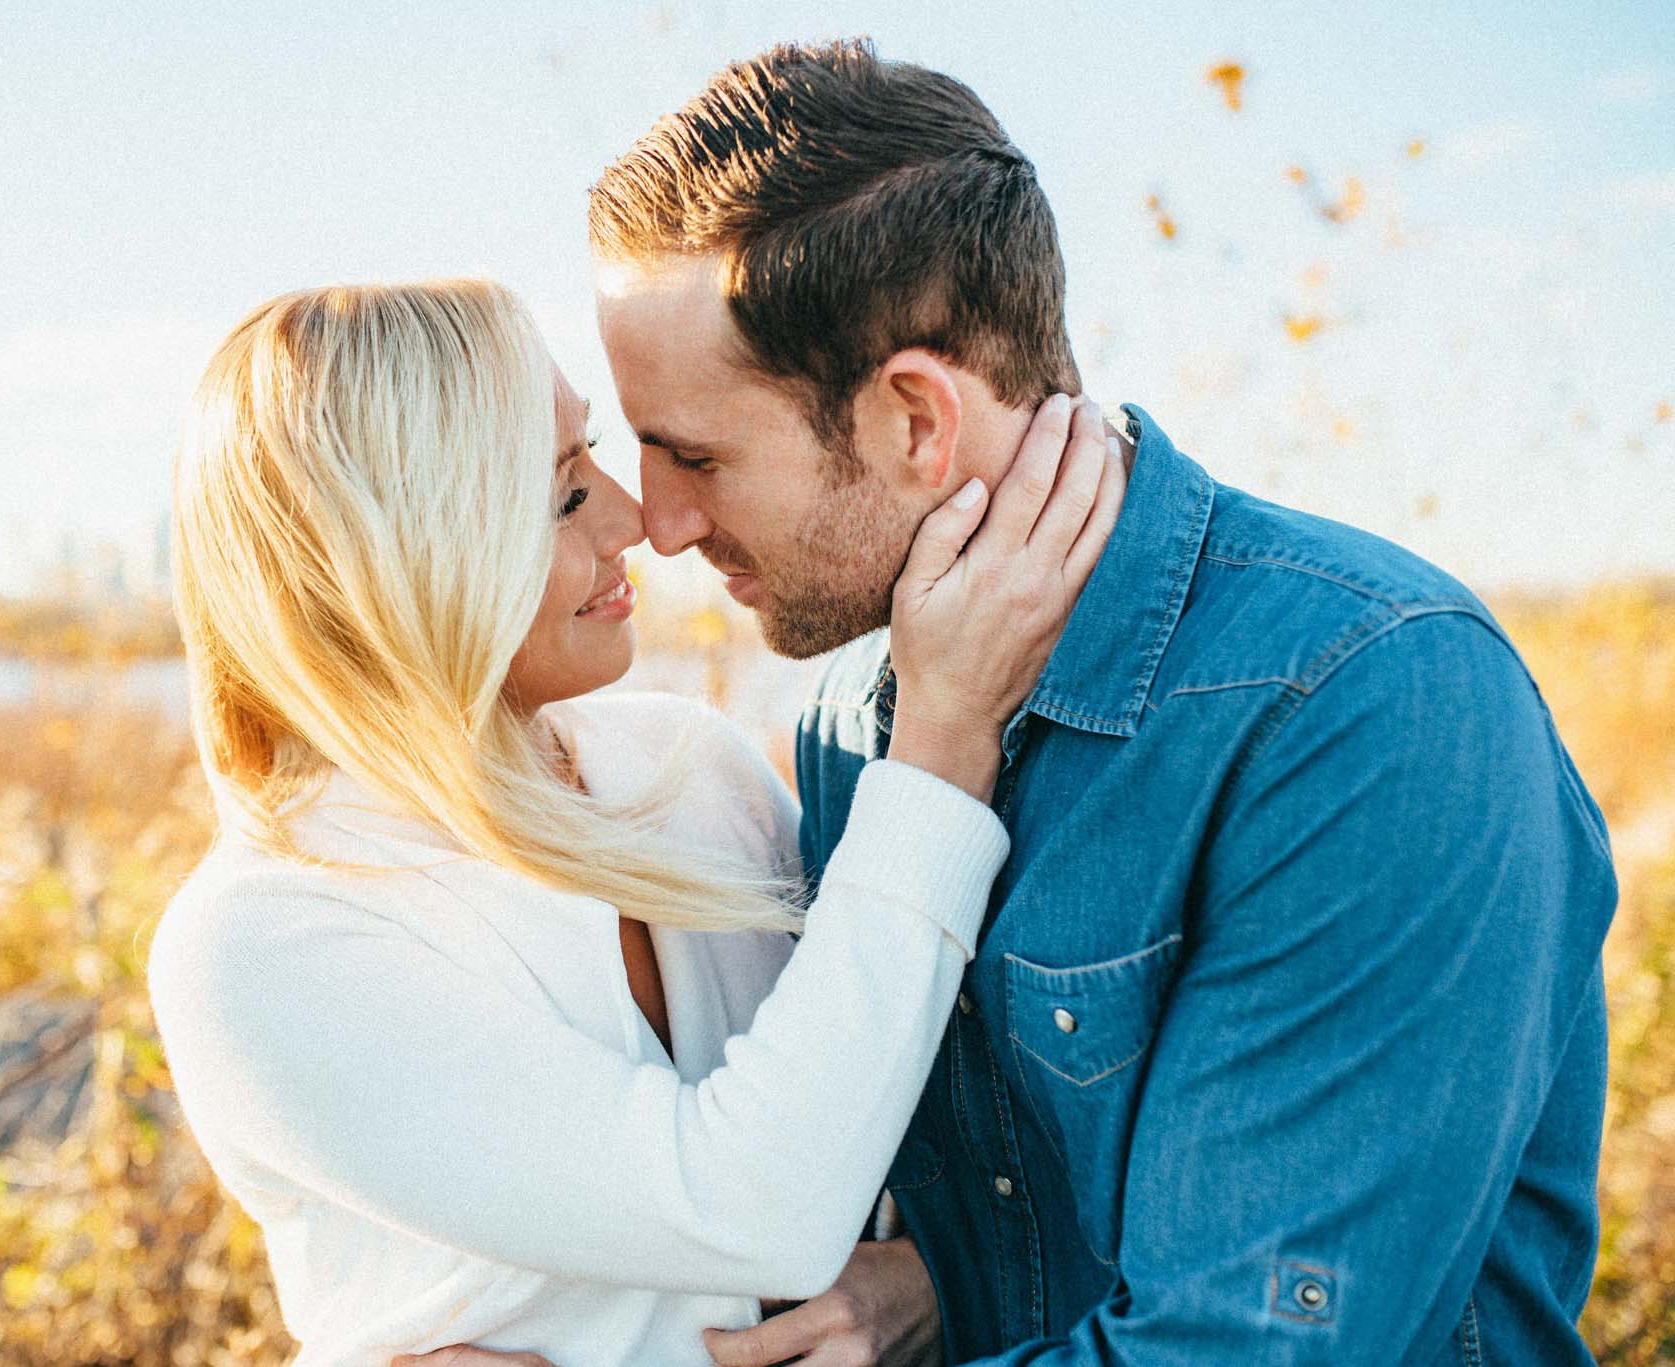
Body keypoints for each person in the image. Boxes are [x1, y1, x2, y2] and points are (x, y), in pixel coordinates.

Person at [431, 35, 1619, 1367]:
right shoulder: (859, 717)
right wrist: (921, 1270)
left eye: (695, 454)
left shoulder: (1366, 704)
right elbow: (967, 1174)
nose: (655, 520)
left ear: (917, 423)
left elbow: (1242, 1344)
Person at [144, 278, 1124, 1366]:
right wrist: (944, 733)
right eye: (562, 495)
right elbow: (752, 1204)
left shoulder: (681, 765)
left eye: (590, 457)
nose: (636, 523)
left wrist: (924, 1277)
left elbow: (894, 1092)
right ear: (396, 564)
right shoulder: (266, 938)